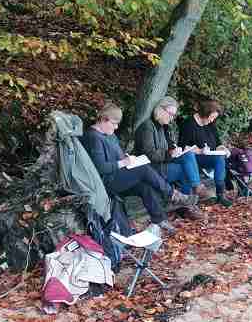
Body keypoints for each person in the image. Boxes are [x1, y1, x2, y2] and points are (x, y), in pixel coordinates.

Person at [81, 102, 199, 234]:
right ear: (103, 119)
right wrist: (124, 163)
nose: (116, 127)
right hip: (105, 182)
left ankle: (160, 220)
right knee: (143, 169)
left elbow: (118, 154)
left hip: (118, 177)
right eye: (114, 123)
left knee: (145, 187)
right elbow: (100, 168)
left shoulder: (109, 134)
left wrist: (127, 158)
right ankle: (172, 194)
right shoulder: (93, 137)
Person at [134, 97, 210, 205]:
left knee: (188, 155)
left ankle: (195, 190)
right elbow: (149, 154)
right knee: (184, 170)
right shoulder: (147, 127)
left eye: (173, 115)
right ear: (160, 109)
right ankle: (187, 205)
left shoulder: (162, 127)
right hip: (151, 168)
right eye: (170, 114)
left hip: (162, 163)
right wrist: (169, 153)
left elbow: (169, 145)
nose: (172, 118)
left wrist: (175, 149)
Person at [178, 99, 233, 207]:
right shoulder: (188, 124)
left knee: (220, 158)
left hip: (209, 156)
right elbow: (182, 147)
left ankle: (220, 194)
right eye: (211, 117)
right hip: (194, 158)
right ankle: (197, 194)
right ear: (205, 113)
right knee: (215, 159)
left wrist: (223, 149)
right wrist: (199, 150)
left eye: (214, 118)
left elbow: (218, 142)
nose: (212, 120)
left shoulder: (210, 124)